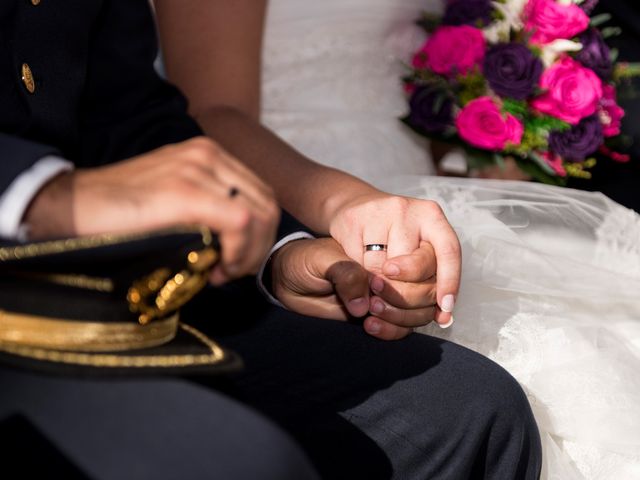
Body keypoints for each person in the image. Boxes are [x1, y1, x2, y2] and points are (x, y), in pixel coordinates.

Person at [0, 1, 541, 479]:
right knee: (247, 460)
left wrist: (281, 250)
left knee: (474, 410)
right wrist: (48, 196)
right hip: (24, 304)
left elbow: (127, 111)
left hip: (118, 280)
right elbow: (211, 109)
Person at [154, 0, 640, 478]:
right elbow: (210, 113)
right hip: (290, 185)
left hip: (431, 183)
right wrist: (346, 203)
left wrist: (498, 128)